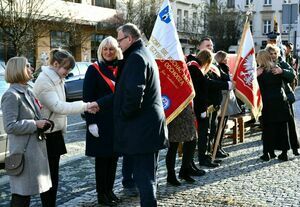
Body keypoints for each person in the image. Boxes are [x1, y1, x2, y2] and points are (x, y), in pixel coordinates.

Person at [96, 23, 168, 207]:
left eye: (119, 40)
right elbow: (122, 92)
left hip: (141, 129)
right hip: (148, 127)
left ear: (129, 38)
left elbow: (134, 94)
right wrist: (99, 103)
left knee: (144, 177)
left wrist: (123, 116)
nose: (118, 44)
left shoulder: (135, 58)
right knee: (149, 175)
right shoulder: (143, 54)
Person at [33, 49, 98, 207]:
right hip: (46, 135)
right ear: (55, 64)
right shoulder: (45, 81)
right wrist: (86, 106)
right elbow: (58, 106)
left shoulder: (56, 79)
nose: (68, 73)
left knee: (53, 177)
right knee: (47, 178)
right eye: (66, 68)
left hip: (54, 133)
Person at [1, 57, 52, 207]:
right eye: (28, 66)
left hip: (34, 152)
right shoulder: (11, 95)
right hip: (24, 153)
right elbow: (10, 126)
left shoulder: (28, 91)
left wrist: (43, 122)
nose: (31, 69)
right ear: (19, 70)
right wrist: (35, 124)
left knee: (26, 195)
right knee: (21, 197)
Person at [83, 36, 122, 206]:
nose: (108, 52)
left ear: (116, 51)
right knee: (102, 160)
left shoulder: (121, 68)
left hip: (116, 121)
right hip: (100, 121)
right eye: (105, 49)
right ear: (100, 51)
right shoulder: (93, 69)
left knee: (113, 158)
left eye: (111, 49)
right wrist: (91, 122)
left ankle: (110, 190)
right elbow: (87, 98)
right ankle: (101, 194)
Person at [187, 49, 232, 168]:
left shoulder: (197, 67)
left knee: (208, 132)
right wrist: (226, 85)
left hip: (208, 105)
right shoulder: (194, 67)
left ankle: (206, 156)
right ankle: (202, 158)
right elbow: (206, 84)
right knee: (203, 134)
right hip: (201, 106)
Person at [256, 49, 295, 161]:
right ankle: (284, 153)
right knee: (282, 128)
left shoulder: (259, 72)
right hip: (280, 101)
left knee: (268, 128)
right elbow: (292, 78)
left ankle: (268, 153)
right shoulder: (277, 69)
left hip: (267, 103)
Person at [265, 45, 300, 157]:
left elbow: (293, 75)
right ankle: (274, 150)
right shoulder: (264, 65)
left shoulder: (282, 63)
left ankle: (295, 148)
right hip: (271, 101)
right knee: (274, 126)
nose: (273, 56)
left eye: (275, 53)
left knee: (290, 125)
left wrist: (282, 71)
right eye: (271, 53)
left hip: (286, 99)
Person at [166, 105, 204, 186]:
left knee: (192, 140)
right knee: (173, 145)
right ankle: (171, 175)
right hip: (174, 109)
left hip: (186, 108)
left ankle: (185, 170)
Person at [214, 51, 241, 157]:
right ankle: (216, 148)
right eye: (225, 58)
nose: (227, 60)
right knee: (219, 126)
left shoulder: (224, 67)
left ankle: (219, 147)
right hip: (222, 99)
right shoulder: (219, 67)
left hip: (227, 99)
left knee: (223, 125)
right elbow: (223, 81)